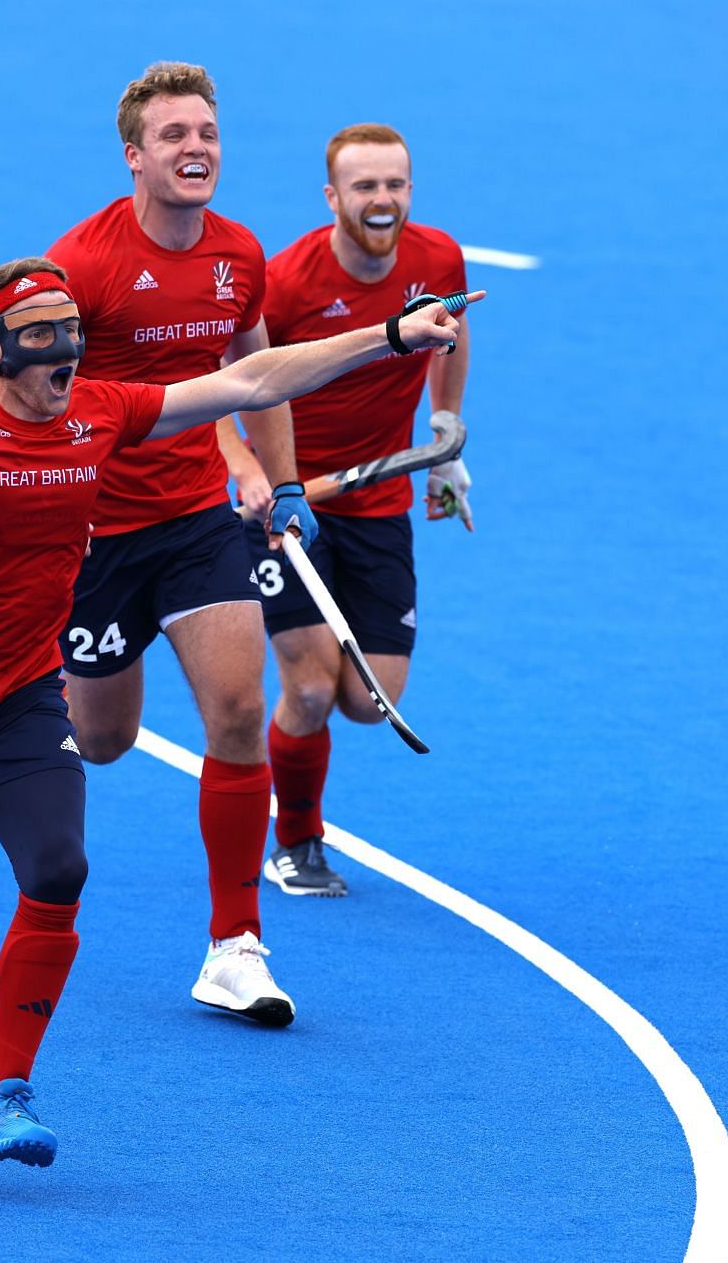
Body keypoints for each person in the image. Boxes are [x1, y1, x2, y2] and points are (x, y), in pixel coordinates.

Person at [0, 257, 468, 1166]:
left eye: (69, 330)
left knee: (59, 866)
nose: (63, 350)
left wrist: (389, 337)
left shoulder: (101, 413)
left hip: (19, 700)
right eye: (39, 333)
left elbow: (250, 378)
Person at [47, 62, 314, 1025]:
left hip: (199, 522)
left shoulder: (241, 256)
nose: (195, 147)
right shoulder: (80, 269)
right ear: (135, 157)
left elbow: (259, 372)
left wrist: (275, 480)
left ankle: (234, 946)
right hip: (96, 535)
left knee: (240, 710)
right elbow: (37, 401)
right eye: (174, 135)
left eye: (206, 131)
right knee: (106, 741)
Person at [232, 123, 474, 897]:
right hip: (291, 502)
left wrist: (445, 433)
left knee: (370, 704)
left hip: (377, 503)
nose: (382, 200)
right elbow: (226, 387)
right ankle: (296, 841)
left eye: (394, 185)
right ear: (332, 197)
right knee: (308, 689)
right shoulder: (287, 282)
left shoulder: (438, 259)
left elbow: (451, 329)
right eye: (365, 187)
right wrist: (252, 470)